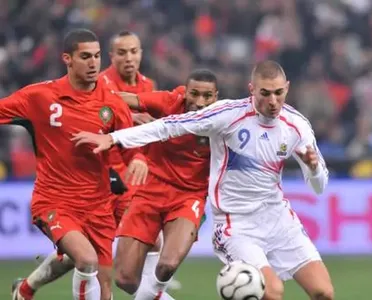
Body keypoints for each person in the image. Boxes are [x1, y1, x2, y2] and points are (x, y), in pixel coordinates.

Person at [72, 60, 334, 300]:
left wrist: (312, 169)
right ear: (251, 89)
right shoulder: (228, 115)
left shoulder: (297, 125)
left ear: (287, 88)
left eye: (279, 92)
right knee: (272, 292)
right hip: (236, 225)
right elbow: (170, 125)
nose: (273, 101)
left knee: (324, 292)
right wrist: (114, 138)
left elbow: (319, 187)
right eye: (265, 93)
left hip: (279, 220)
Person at [6, 28, 148, 300]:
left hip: (99, 208)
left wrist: (139, 158)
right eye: (85, 57)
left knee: (105, 293)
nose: (93, 63)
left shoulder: (112, 104)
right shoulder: (39, 97)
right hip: (55, 201)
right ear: (67, 59)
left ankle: (24, 291)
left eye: (96, 56)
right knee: (85, 259)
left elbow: (129, 145)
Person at [111, 69, 217, 299]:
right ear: (185, 92)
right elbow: (119, 98)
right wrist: (131, 115)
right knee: (125, 279)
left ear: (216, 97)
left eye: (207, 96)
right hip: (150, 191)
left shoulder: (223, 119)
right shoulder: (169, 102)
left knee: (167, 265)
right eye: (194, 94)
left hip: (189, 198)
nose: (199, 102)